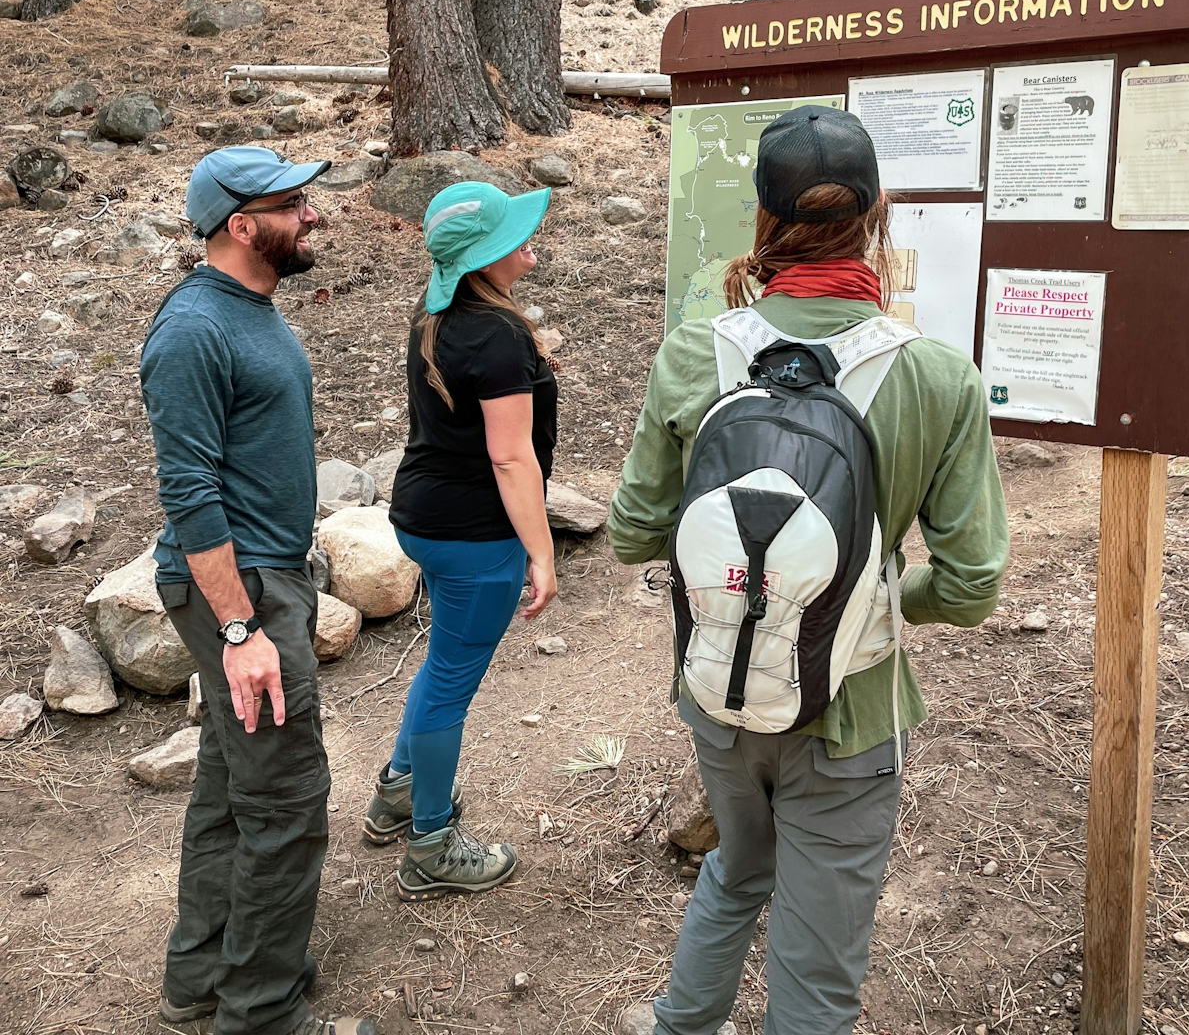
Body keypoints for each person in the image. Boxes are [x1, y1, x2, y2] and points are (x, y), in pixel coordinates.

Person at [608, 106, 1009, 1035]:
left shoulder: (693, 352)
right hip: (851, 710)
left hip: (715, 688)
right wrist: (867, 597)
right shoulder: (938, 378)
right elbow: (971, 582)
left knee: (737, 870)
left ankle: (682, 1024)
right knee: (819, 973)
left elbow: (632, 532)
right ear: (877, 217)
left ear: (762, 218)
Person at [140, 146, 377, 1035]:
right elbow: (188, 490)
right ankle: (262, 1010)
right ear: (242, 226)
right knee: (284, 801)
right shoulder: (193, 330)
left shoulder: (249, 309)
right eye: (293, 205)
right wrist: (242, 631)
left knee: (229, 788)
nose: (312, 216)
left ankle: (202, 977)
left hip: (265, 581)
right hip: (237, 592)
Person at [362, 180, 559, 902]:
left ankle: (398, 794)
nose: (527, 240)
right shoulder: (498, 334)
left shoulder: (438, 309)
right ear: (484, 255)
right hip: (476, 534)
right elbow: (511, 458)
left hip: (423, 514)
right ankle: (432, 844)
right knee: (450, 683)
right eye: (512, 232)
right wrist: (540, 550)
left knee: (442, 663)